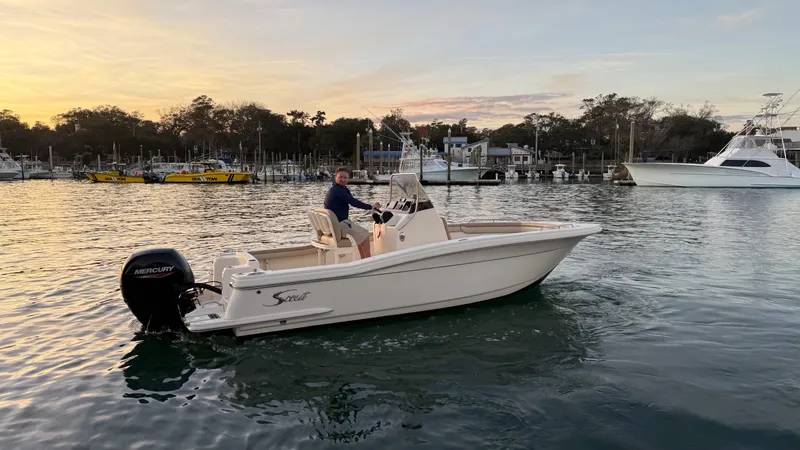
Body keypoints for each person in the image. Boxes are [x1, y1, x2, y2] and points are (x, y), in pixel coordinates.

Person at [324, 168, 380, 258]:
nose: (343, 179)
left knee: (360, 234)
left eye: (345, 177)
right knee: (365, 234)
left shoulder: (339, 189)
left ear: (348, 178)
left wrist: (370, 206)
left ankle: (364, 260)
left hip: (335, 224)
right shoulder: (338, 191)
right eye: (340, 177)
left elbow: (352, 200)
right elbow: (353, 202)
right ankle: (367, 261)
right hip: (339, 225)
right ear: (336, 177)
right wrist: (371, 207)